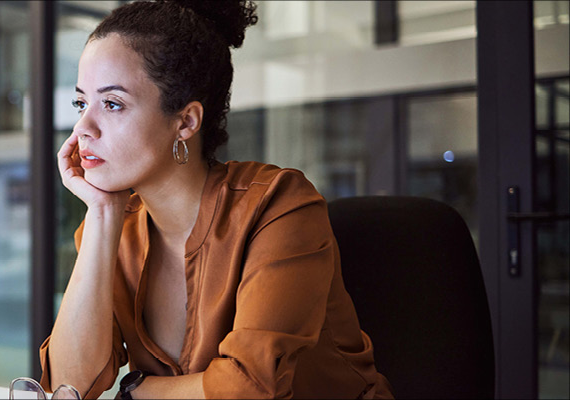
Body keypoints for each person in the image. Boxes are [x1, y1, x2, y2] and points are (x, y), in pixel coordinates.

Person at [38, 1, 394, 399]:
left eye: (113, 104)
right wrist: (103, 213)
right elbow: (71, 386)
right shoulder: (112, 228)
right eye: (81, 103)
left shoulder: (280, 205)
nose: (83, 127)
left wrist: (139, 391)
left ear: (186, 121)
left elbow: (250, 387)